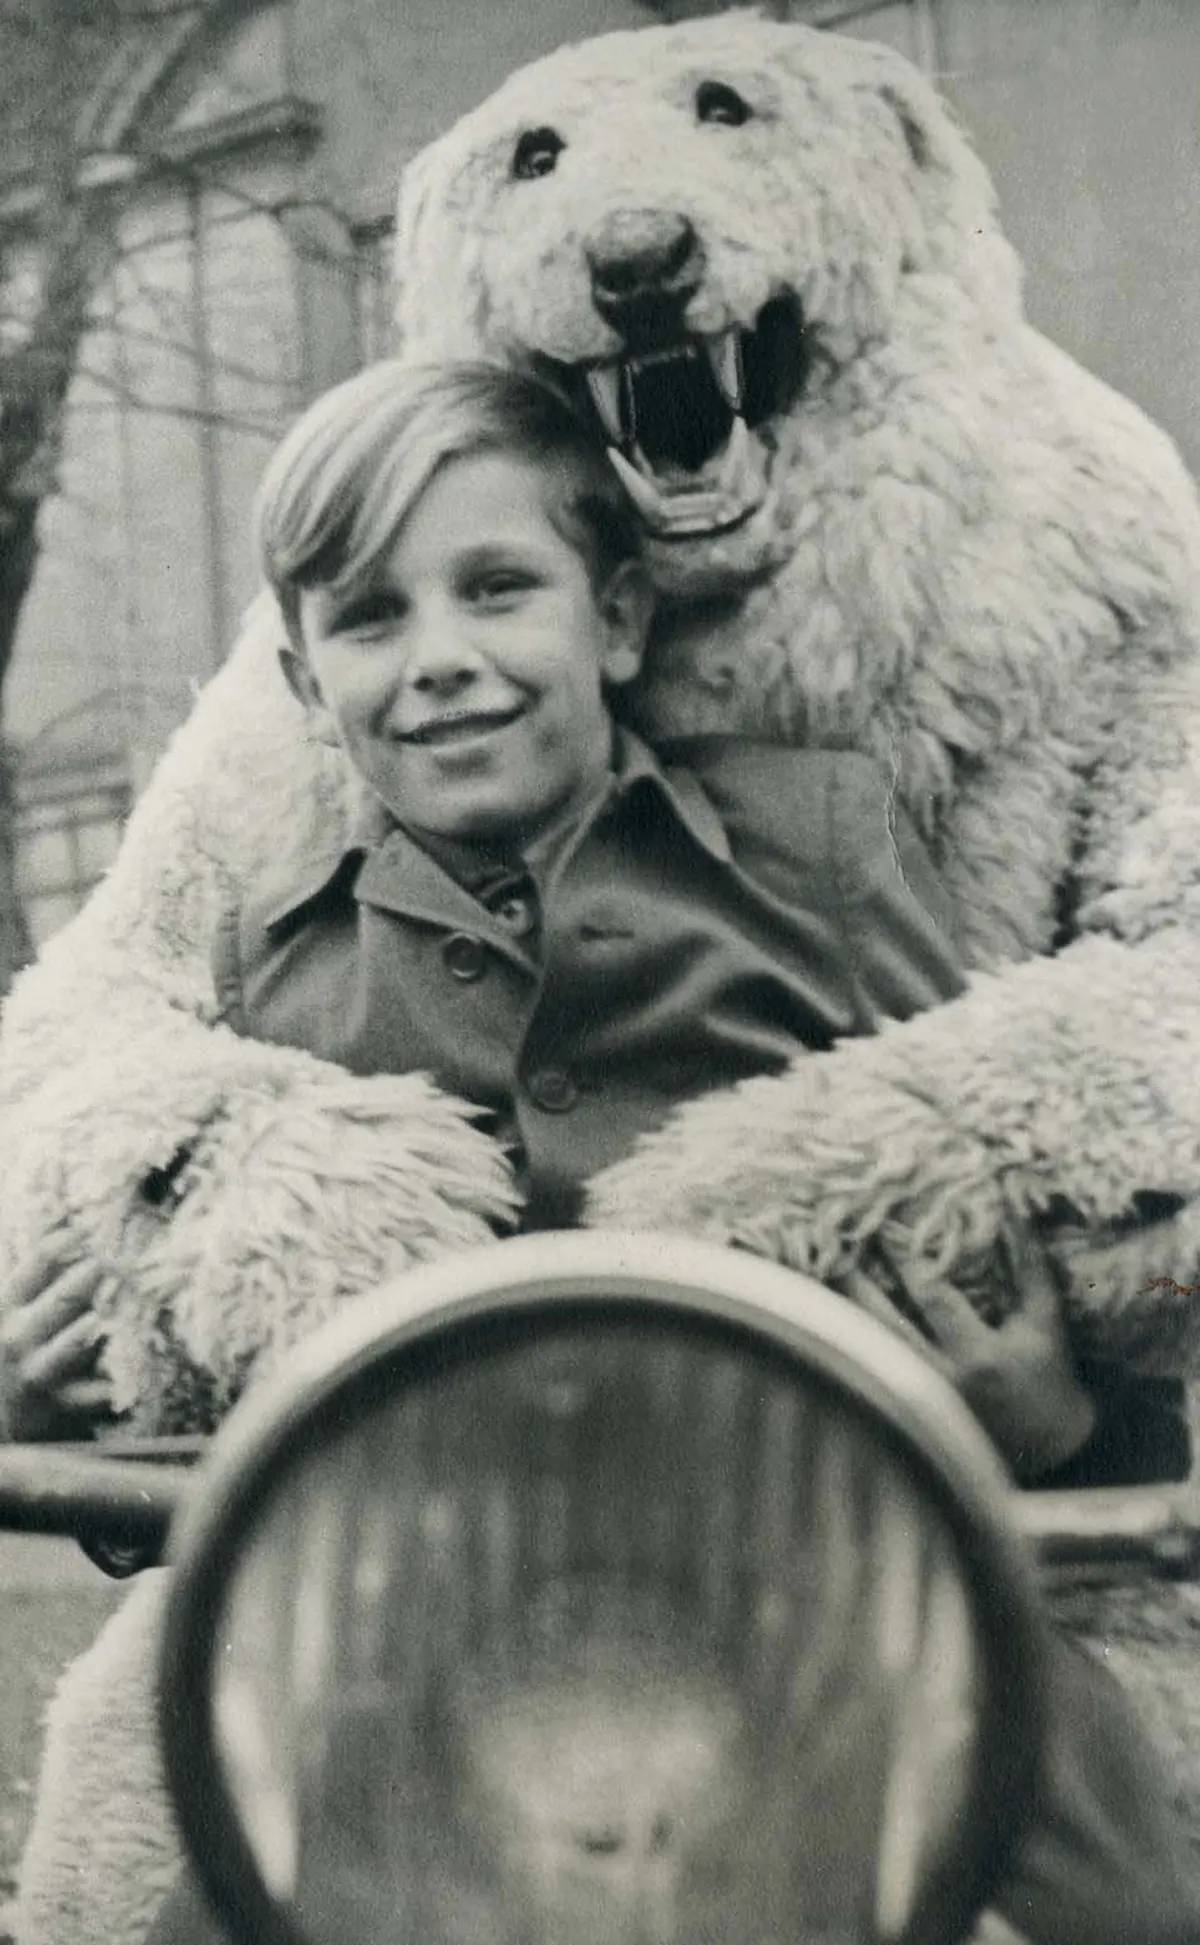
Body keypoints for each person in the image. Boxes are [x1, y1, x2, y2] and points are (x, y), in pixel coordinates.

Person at [5, 359, 1200, 1944]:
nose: (443, 660)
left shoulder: (822, 860)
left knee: (1125, 1882)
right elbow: (225, 1395)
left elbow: (988, 1168)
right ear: (304, 687)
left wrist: (1049, 1417)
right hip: (431, 1634)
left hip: (832, 1576)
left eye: (499, 589)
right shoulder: (276, 984)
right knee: (221, 1898)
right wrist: (49, 1418)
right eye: (370, 618)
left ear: (619, 620)